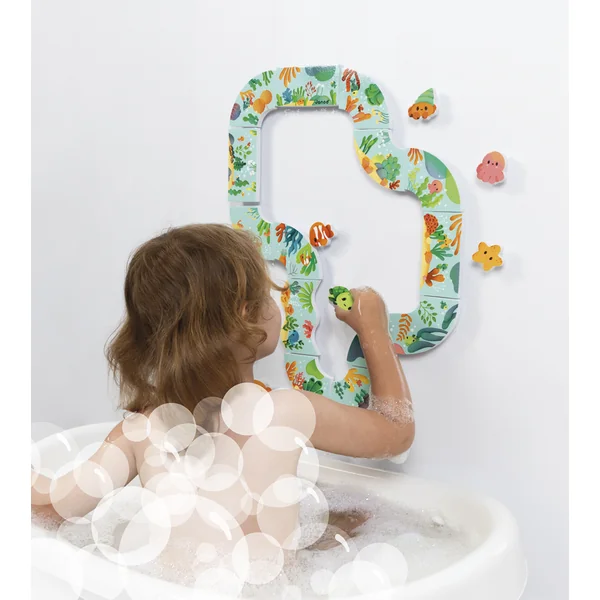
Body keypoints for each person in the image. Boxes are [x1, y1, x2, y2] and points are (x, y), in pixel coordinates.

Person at [31, 223, 414, 553]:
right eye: (266, 294)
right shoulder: (285, 412)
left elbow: (53, 507)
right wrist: (373, 329)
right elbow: (396, 432)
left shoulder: (141, 430)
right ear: (247, 318)